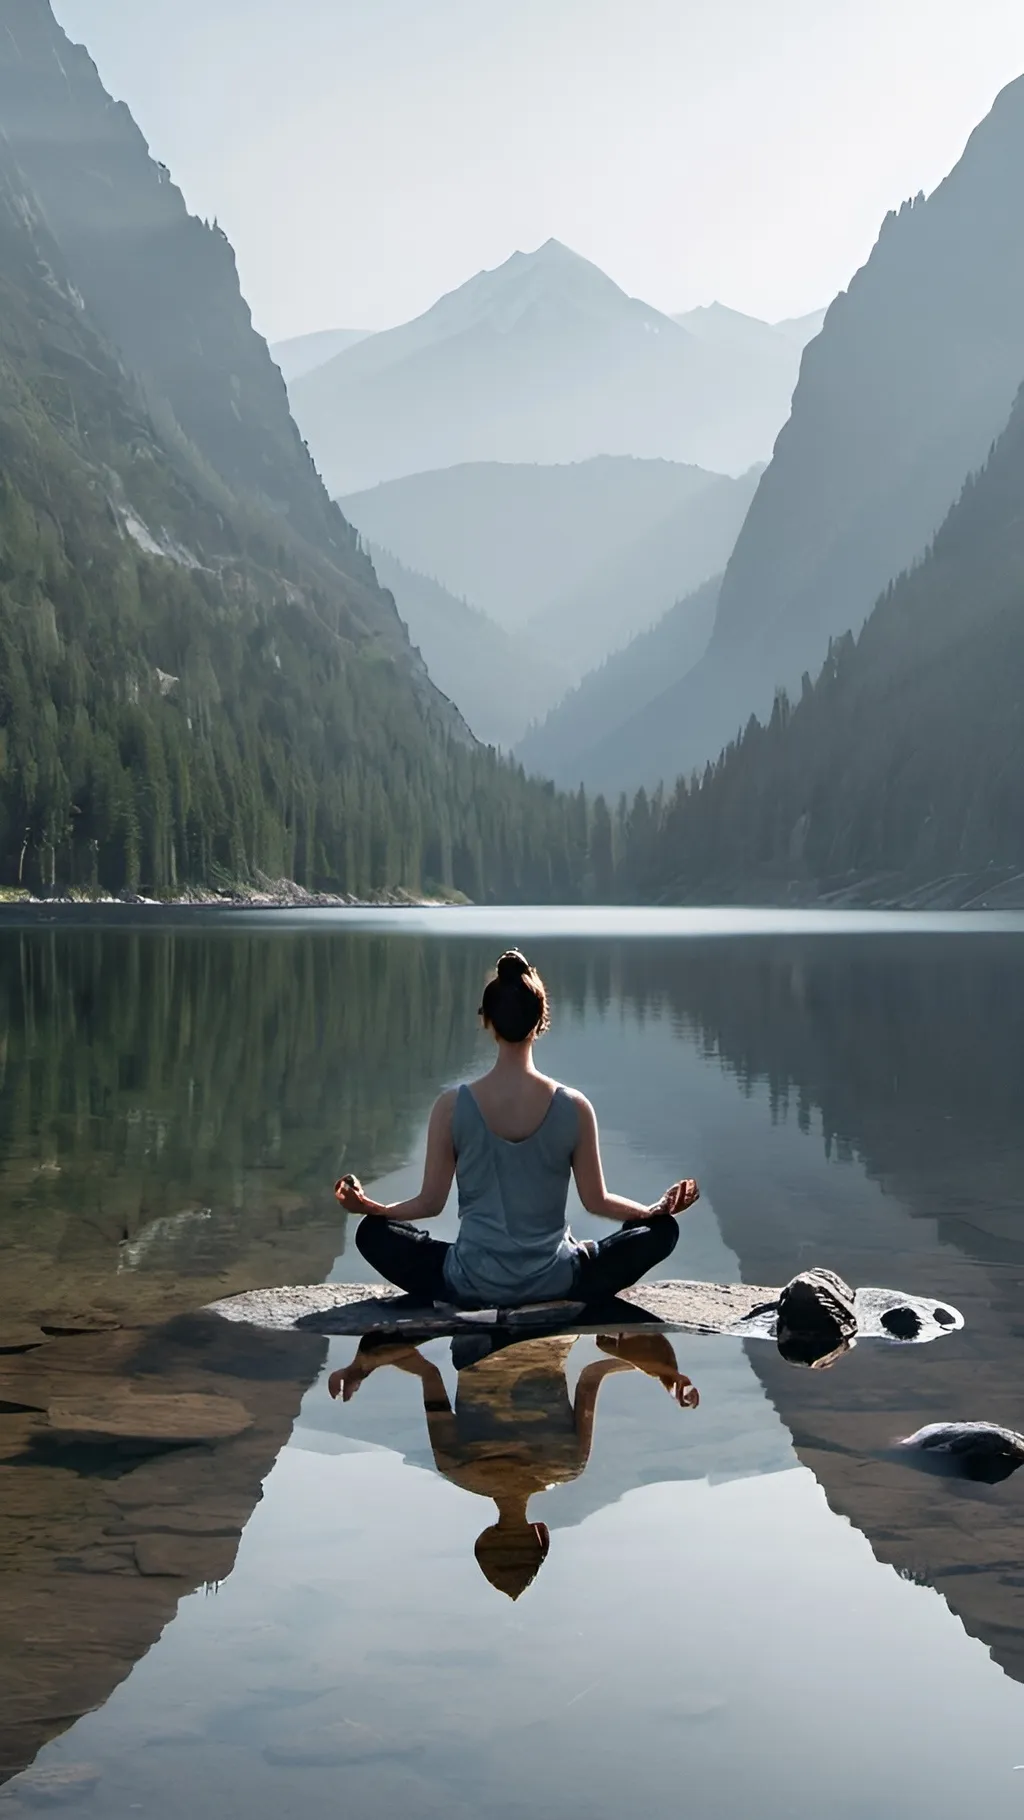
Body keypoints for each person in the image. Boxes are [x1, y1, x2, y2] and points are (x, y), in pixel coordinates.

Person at [334, 948, 699, 1310]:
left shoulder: (451, 1106)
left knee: (372, 1232)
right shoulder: (574, 1107)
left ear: (486, 1021)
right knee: (662, 1231)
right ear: (541, 1020)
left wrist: (373, 1207)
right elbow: (596, 1201)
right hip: (557, 1280)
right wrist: (652, 1212)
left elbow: (429, 1204)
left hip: (471, 1281)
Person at [328, 1329, 699, 1598]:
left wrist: (658, 1374)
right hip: (476, 1342)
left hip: (554, 1334)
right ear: (483, 1539)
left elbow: (590, 1377)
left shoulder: (569, 1466)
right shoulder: (454, 1466)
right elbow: (429, 1374)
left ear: (541, 1535)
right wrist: (362, 1368)